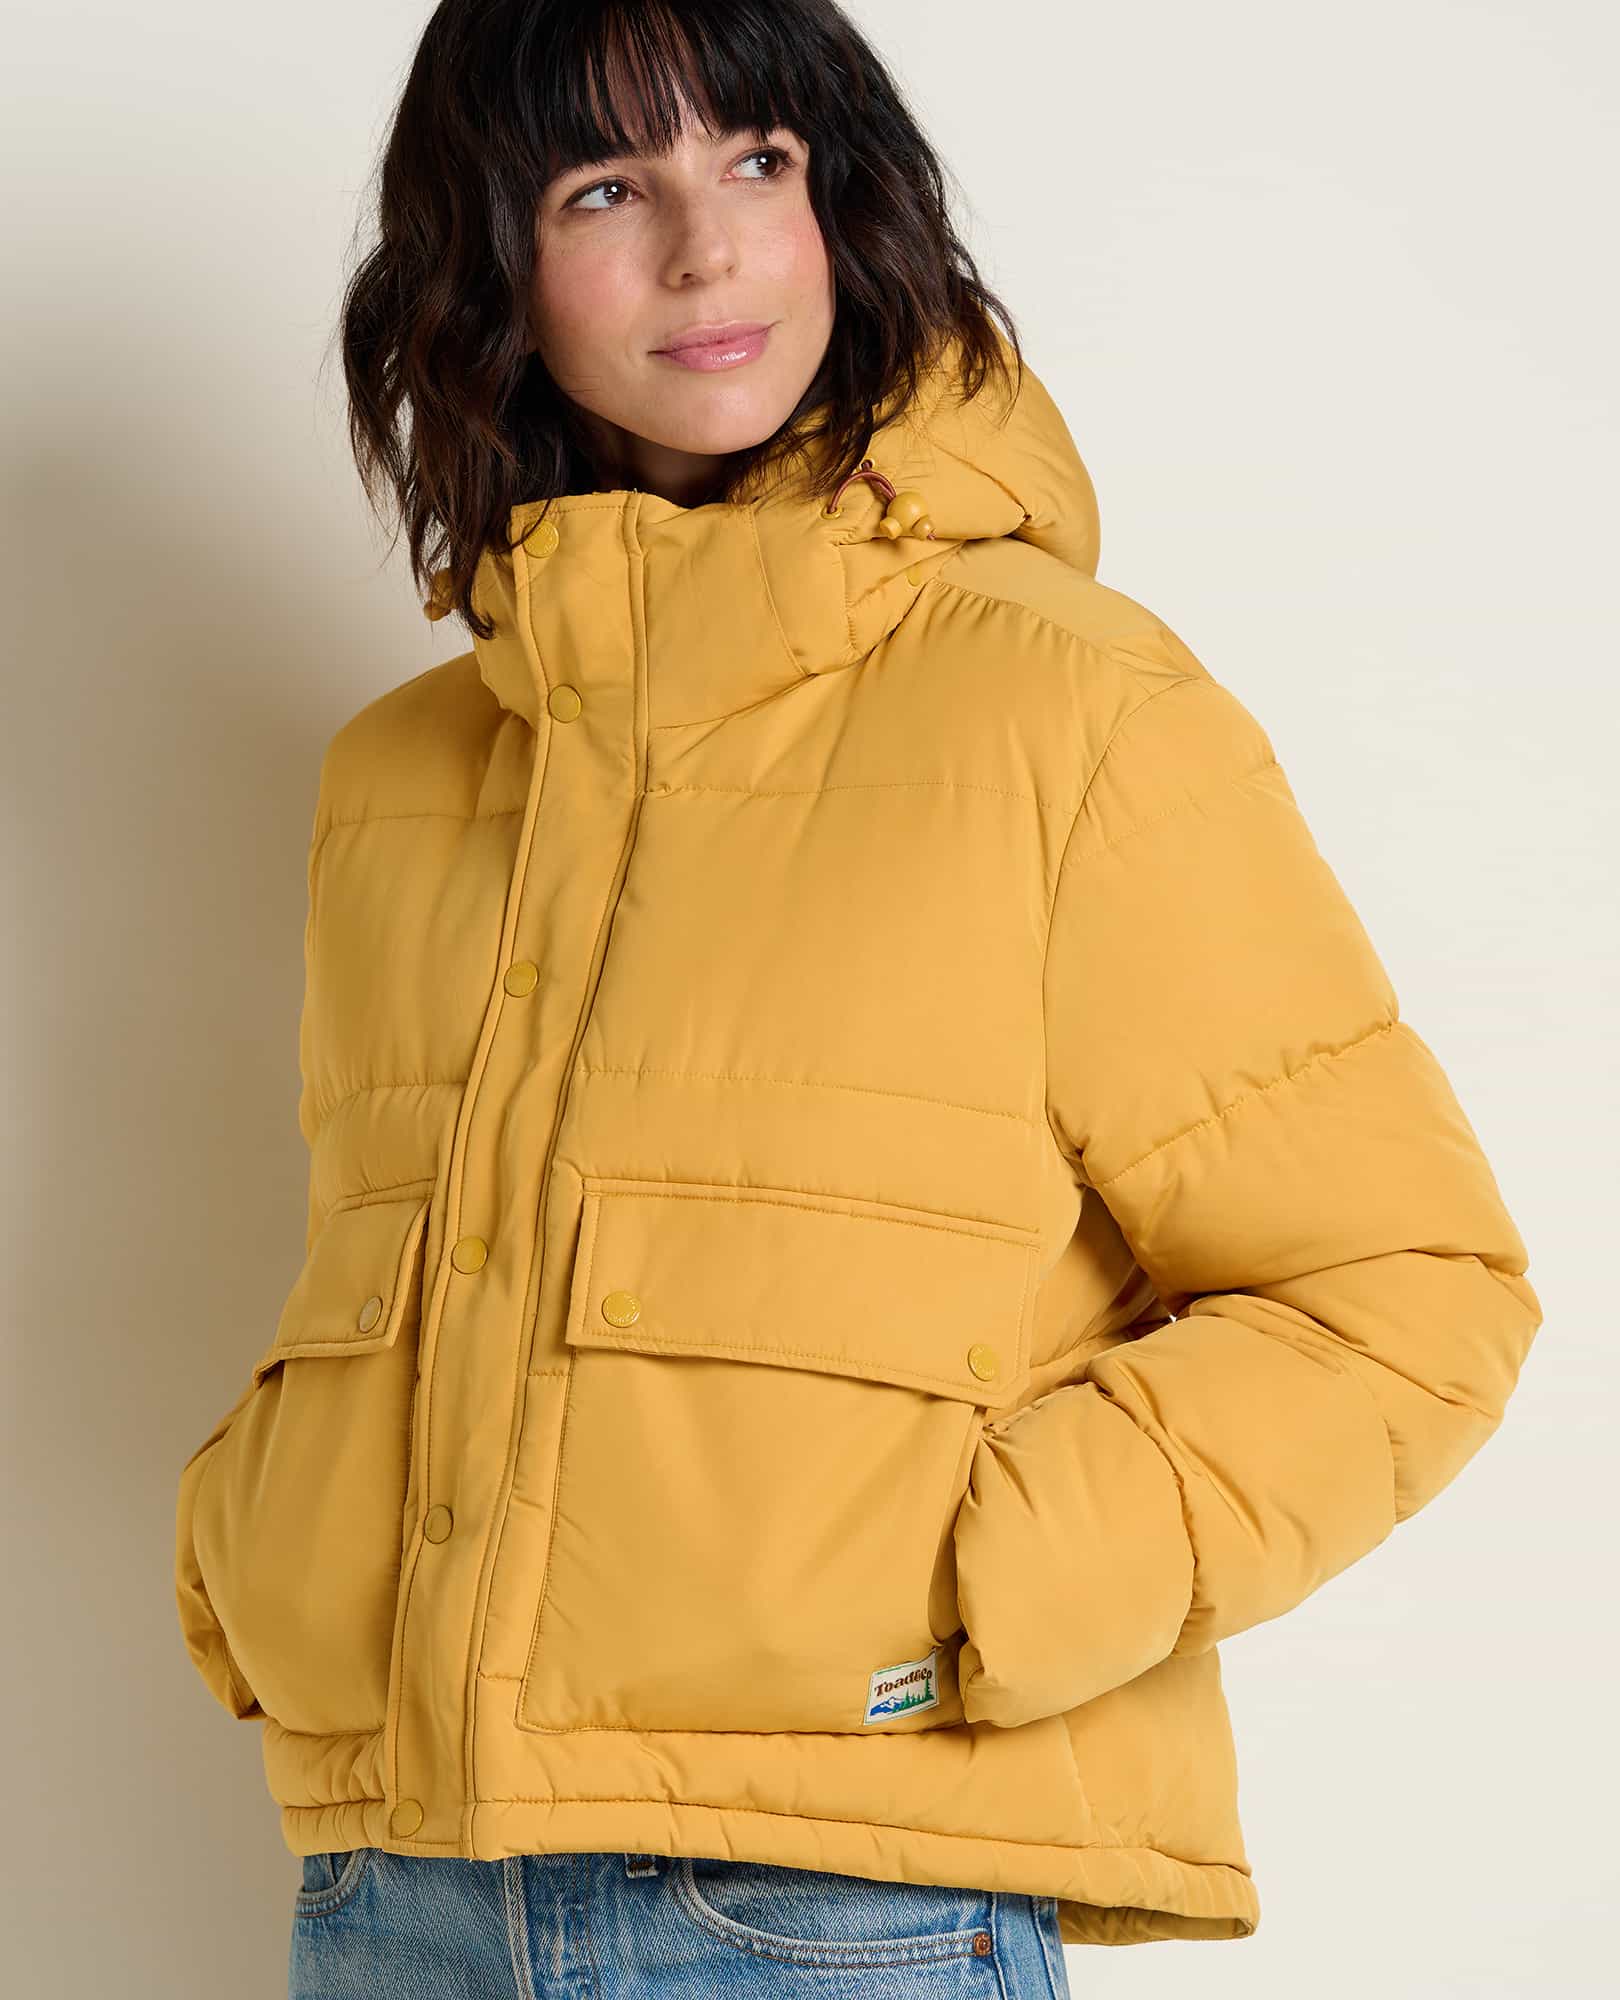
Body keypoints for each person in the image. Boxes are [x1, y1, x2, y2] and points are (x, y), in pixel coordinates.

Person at [172, 1, 1542, 1993]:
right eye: (604, 188)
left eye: (759, 162)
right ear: (486, 264)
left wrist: (981, 1574)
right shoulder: (401, 777)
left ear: (848, 202)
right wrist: (255, 1546)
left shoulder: (1065, 708)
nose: (705, 249)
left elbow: (1406, 1291)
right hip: (401, 1891)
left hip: (836, 1905)